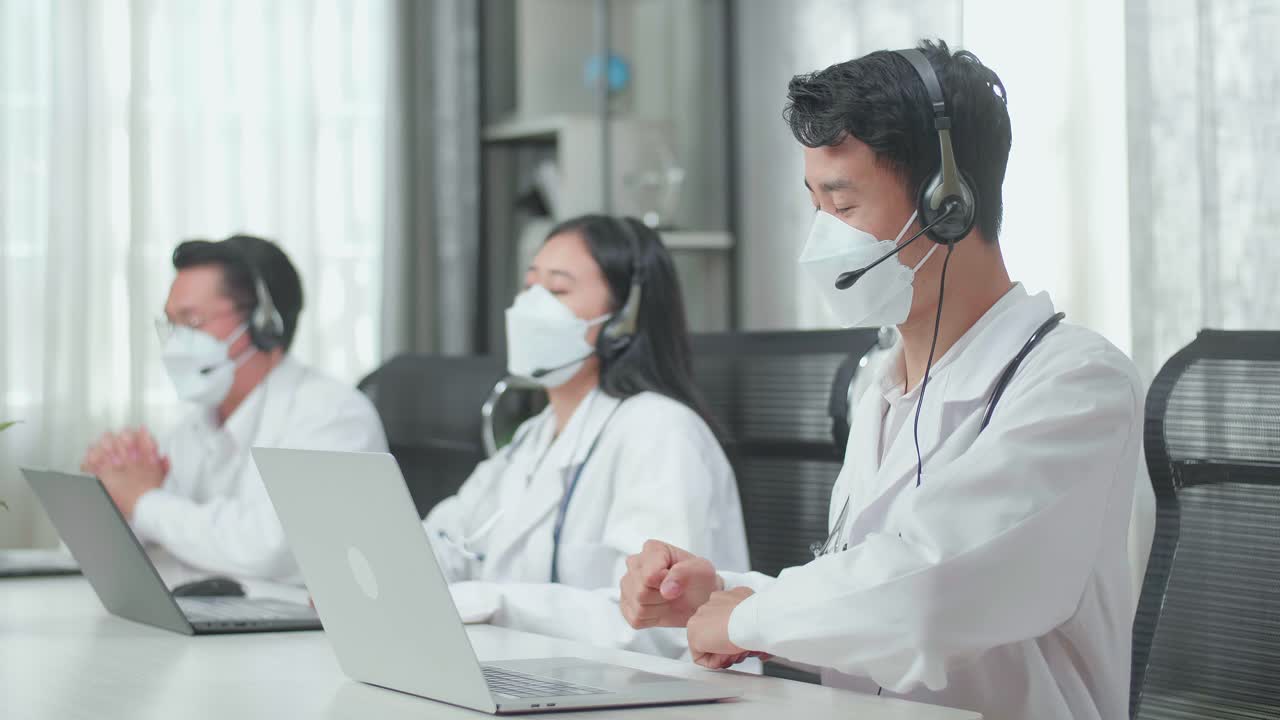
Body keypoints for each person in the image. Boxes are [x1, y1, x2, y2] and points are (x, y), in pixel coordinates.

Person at [618, 40, 1154, 719]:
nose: (822, 241)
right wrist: (717, 594)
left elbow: (929, 598)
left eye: (844, 208)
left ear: (948, 204)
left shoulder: (1076, 383)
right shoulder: (884, 384)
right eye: (815, 206)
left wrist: (747, 618)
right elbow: (863, 607)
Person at [424, 214, 749, 658]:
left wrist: (495, 603)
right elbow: (452, 539)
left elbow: (653, 622)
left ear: (623, 319)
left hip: (650, 696)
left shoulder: (661, 432)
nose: (531, 307)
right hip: (542, 676)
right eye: (530, 286)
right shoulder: (532, 438)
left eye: (557, 290)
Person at [80, 235, 387, 585]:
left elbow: (268, 550)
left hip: (300, 633)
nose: (176, 341)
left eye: (192, 322)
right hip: (219, 622)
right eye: (170, 324)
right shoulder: (197, 424)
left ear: (263, 323)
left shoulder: (332, 416)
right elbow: (165, 531)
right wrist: (113, 493)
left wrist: (144, 501)